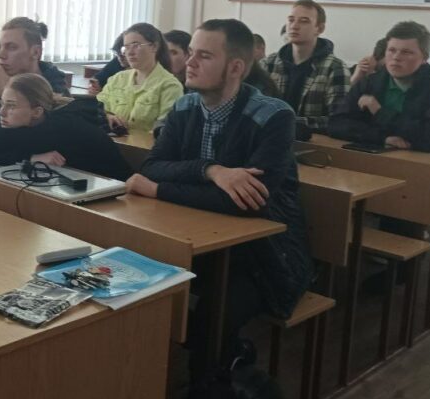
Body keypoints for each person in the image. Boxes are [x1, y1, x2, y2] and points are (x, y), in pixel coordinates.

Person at [124, 19, 312, 376]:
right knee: (135, 286)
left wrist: (160, 190)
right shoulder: (185, 107)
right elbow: (153, 166)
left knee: (210, 320)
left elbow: (246, 203)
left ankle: (210, 390)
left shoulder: (274, 116)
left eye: (204, 56)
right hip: (198, 241)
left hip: (265, 257)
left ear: (236, 67)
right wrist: (212, 171)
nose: (189, 63)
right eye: (191, 53)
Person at [0, 74, 134, 181]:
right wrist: (31, 158)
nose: (1, 112)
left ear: (36, 112)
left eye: (11, 106)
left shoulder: (60, 127)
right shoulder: (38, 124)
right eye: (0, 104)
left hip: (123, 193)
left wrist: (28, 158)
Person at [327, 21, 430, 152]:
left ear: (424, 58)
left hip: (427, 162)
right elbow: (336, 124)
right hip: (377, 157)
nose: (396, 57)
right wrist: (382, 138)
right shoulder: (370, 82)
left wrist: (380, 113)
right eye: (391, 50)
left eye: (406, 52)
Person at [264, 0, 350, 131]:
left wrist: (289, 122)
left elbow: (337, 120)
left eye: (304, 21)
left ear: (319, 28)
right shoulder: (269, 63)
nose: (294, 26)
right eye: (291, 20)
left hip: (310, 141)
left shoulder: (335, 68)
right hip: (268, 135)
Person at [0, 16, 69, 136]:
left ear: (36, 52)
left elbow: (39, 139)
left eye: (11, 47)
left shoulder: (54, 89)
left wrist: (0, 95)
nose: (1, 55)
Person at [96, 23, 183, 133]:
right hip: (110, 140)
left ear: (154, 47)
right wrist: (107, 117)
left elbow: (165, 131)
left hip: (145, 144)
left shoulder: (170, 86)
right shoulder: (118, 78)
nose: (130, 52)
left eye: (136, 45)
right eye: (126, 47)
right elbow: (96, 109)